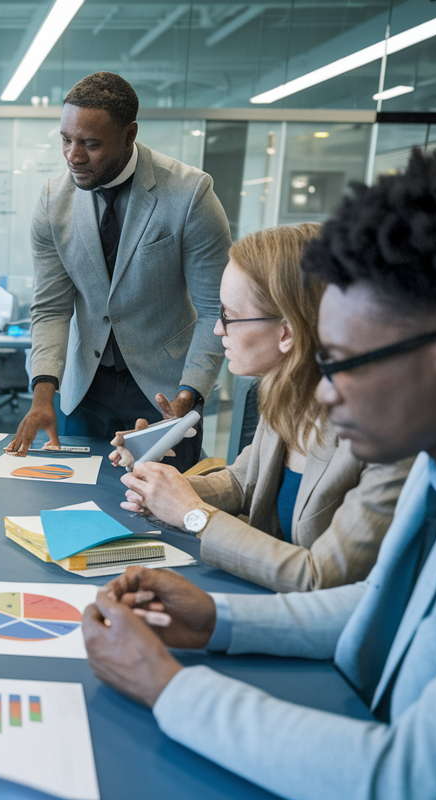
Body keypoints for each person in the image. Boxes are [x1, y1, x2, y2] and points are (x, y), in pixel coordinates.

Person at [81, 147, 436, 800]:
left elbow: (415, 780)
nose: (323, 393)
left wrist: (167, 685)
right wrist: (218, 620)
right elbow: (383, 604)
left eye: (346, 361)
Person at [113, 223, 411, 592]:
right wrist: (165, 492)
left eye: (228, 316)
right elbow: (243, 481)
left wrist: (192, 514)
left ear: (286, 332)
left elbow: (321, 577)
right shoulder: (284, 392)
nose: (219, 331)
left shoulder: (386, 437)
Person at [7, 72, 230, 469]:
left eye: (90, 144)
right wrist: (43, 395)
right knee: (75, 512)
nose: (73, 155)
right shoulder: (52, 200)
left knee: (162, 514)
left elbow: (215, 309)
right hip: (83, 391)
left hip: (164, 396)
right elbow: (51, 308)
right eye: (66, 139)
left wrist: (189, 393)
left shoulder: (190, 194)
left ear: (129, 135)